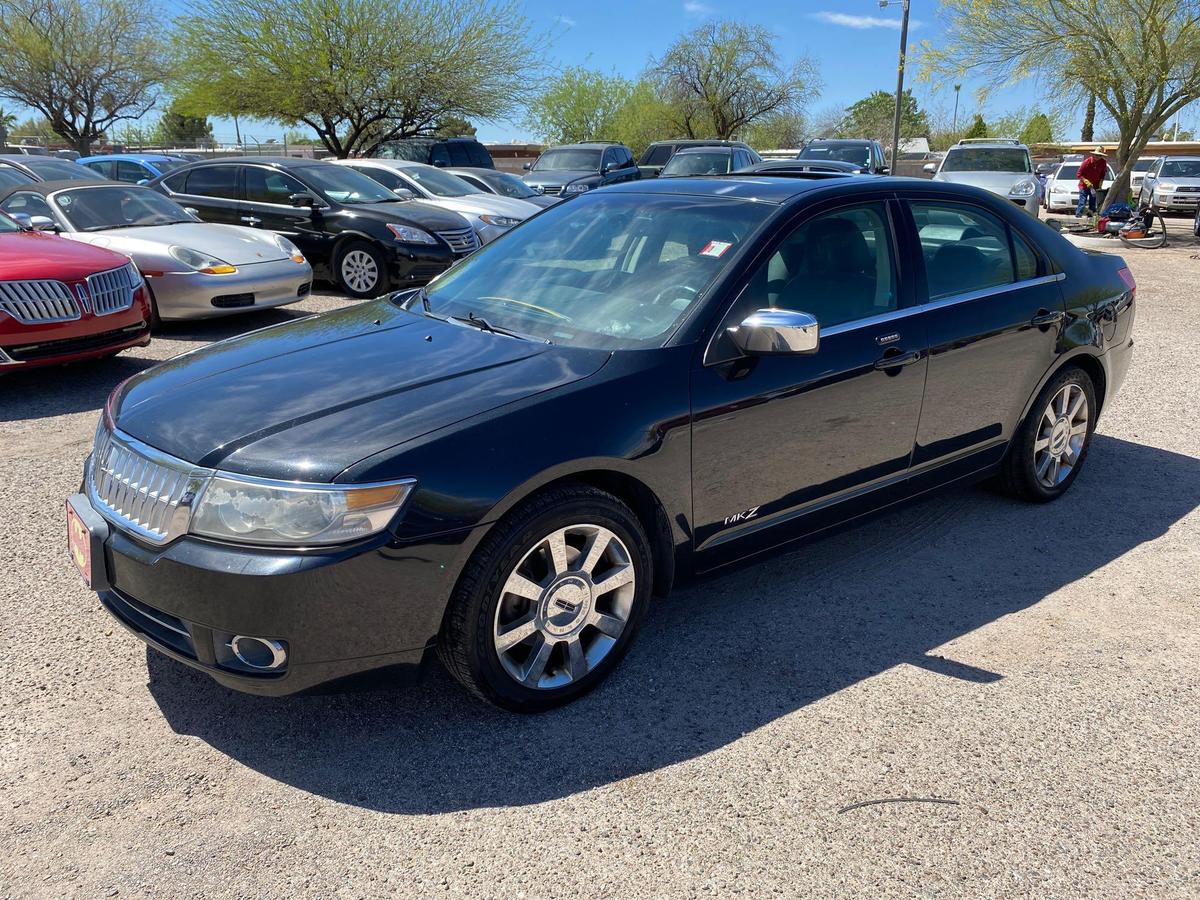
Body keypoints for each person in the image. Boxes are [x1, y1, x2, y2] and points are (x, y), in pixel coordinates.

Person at [1076, 146, 1108, 218]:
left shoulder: (1103, 162)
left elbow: (1103, 174)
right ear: (1093, 155)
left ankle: (1090, 216)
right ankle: (1078, 216)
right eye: (1096, 155)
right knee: (1082, 202)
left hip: (1095, 186)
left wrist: (1101, 182)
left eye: (1100, 155)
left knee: (1093, 202)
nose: (1098, 157)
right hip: (1084, 186)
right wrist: (1085, 181)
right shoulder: (1086, 162)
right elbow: (1079, 174)